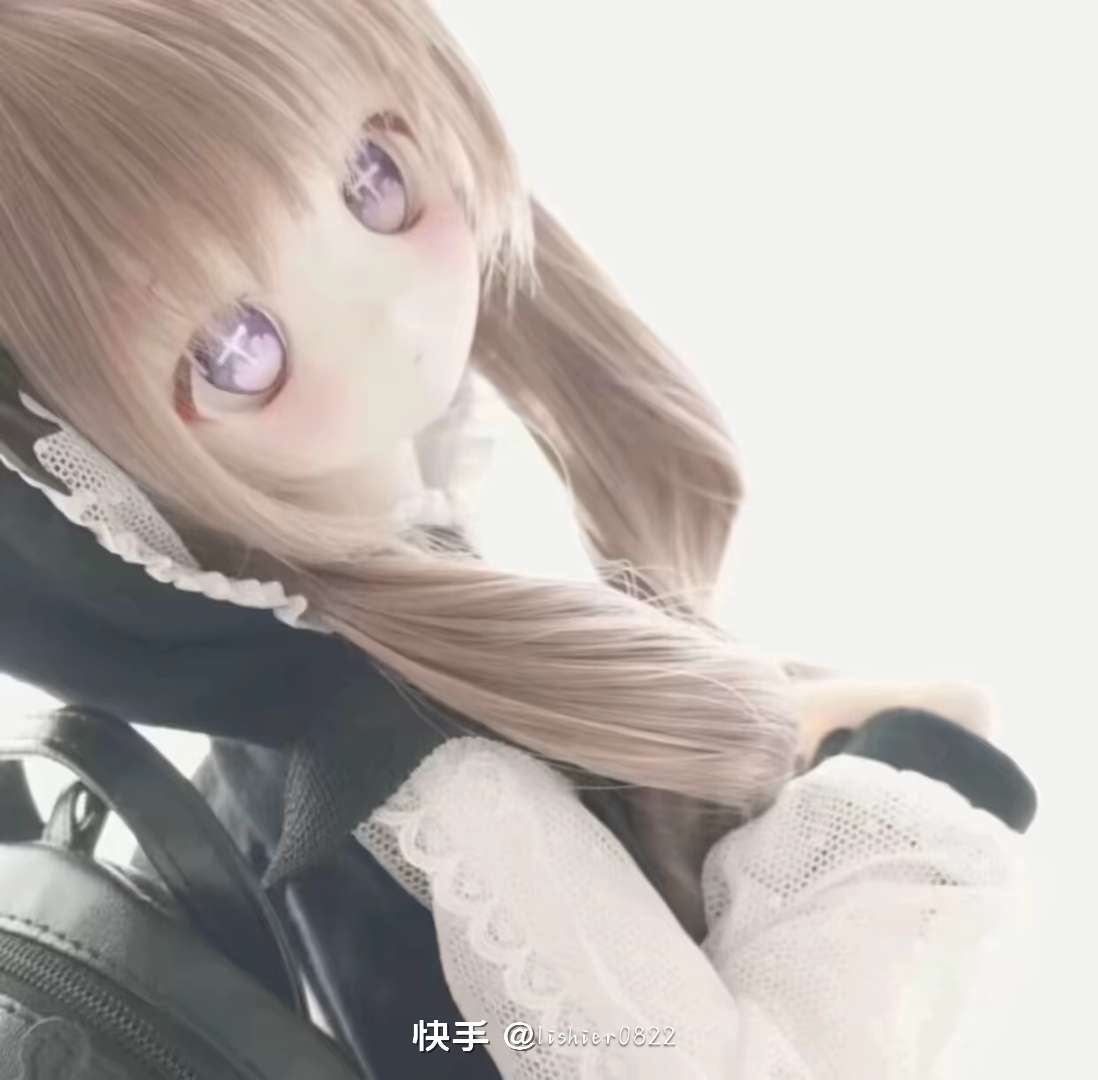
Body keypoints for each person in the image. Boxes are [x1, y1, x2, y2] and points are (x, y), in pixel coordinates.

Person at [0, 2, 1036, 1075]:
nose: (387, 313)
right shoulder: (423, 766)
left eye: (372, 181)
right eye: (234, 348)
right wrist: (911, 783)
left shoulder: (313, 668)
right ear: (84, 468)